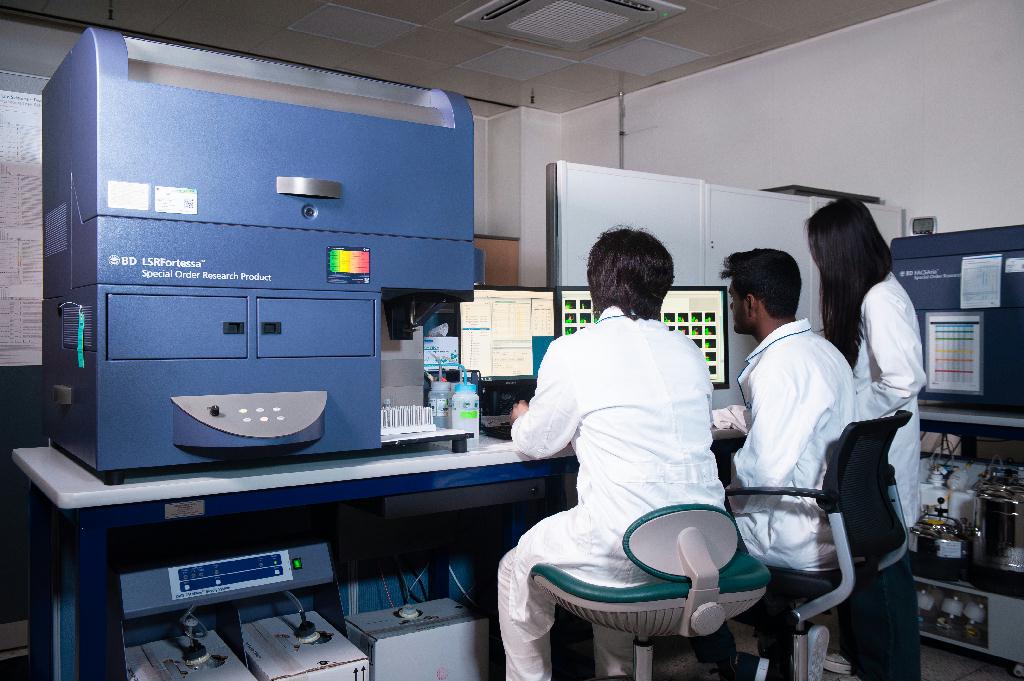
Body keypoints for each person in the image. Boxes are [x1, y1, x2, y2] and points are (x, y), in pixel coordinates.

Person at [498, 227, 765, 681]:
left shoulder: (573, 350)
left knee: (514, 568)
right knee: (609, 548)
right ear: (663, 290)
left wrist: (521, 416)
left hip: (623, 547)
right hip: (702, 546)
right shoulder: (689, 350)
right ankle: (618, 673)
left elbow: (536, 443)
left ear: (595, 287)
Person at [710, 249, 855, 676]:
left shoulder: (780, 366)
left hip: (793, 537)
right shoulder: (821, 351)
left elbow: (763, 473)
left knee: (685, 531)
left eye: (733, 299)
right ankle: (782, 649)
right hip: (835, 528)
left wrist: (718, 498)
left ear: (751, 303)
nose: (731, 309)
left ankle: (742, 663)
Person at [807, 198, 925, 681]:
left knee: (883, 568)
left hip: (879, 453)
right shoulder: (872, 294)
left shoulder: (880, 298)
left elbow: (903, 380)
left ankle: (893, 670)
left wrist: (847, 411)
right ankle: (865, 659)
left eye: (820, 253)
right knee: (864, 563)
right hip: (869, 454)